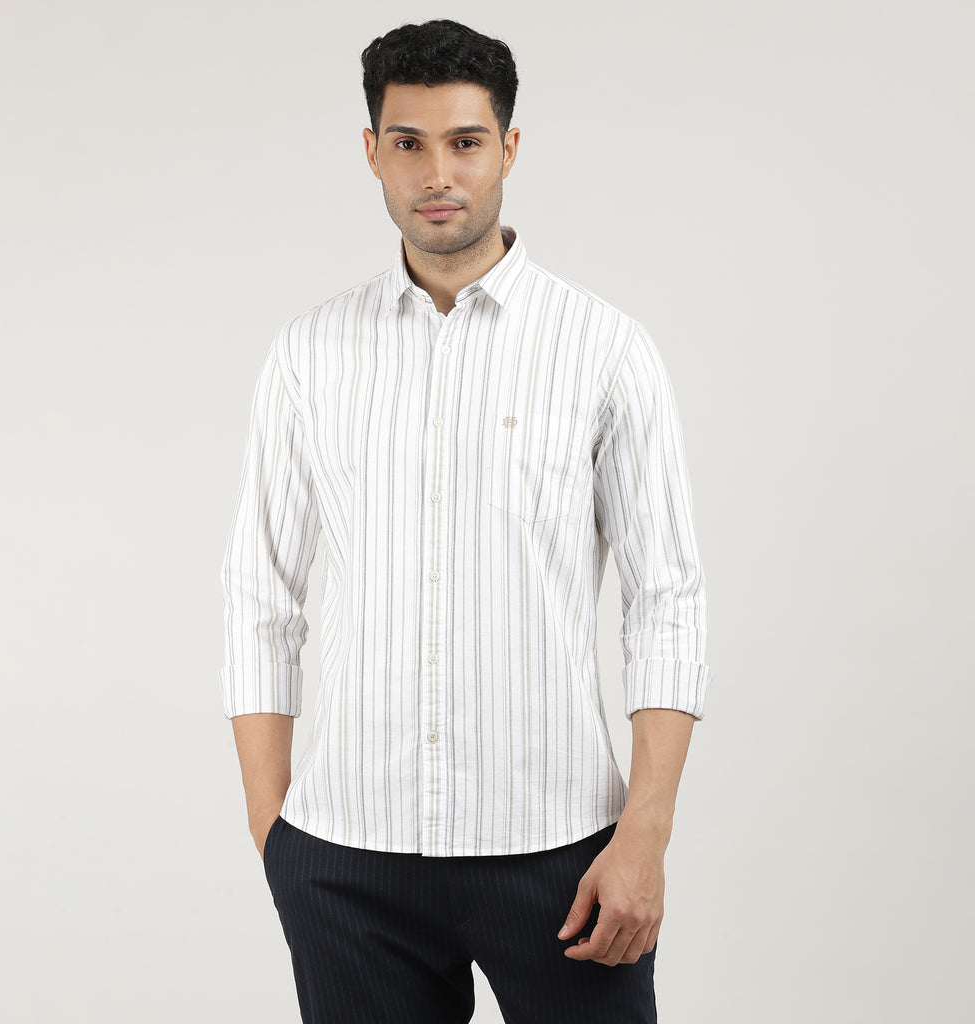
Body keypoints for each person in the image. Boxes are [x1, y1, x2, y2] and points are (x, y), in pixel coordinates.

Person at [217, 18, 715, 1024]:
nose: (437, 173)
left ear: (509, 149)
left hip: (563, 853)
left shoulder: (604, 350)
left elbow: (667, 600)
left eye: (465, 141)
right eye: (408, 142)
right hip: (347, 858)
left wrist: (645, 837)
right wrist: (278, 838)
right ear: (372, 152)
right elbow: (259, 595)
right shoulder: (309, 354)